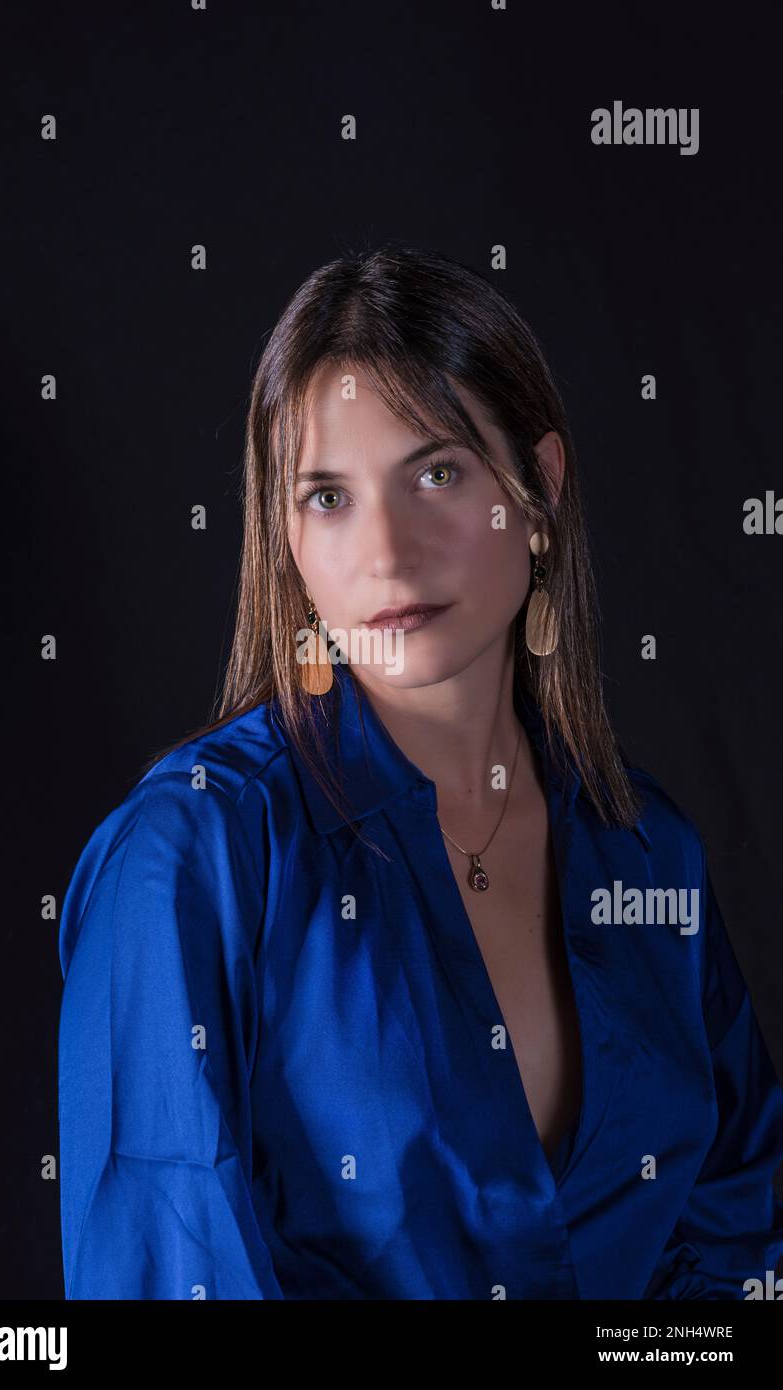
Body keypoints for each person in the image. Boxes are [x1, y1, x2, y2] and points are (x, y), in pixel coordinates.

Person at [57, 245, 783, 1299]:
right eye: (328, 497)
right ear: (287, 541)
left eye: (435, 473)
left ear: (536, 492)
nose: (386, 552)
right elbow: (166, 1277)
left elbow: (739, 1243)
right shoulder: (193, 857)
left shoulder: (645, 846)